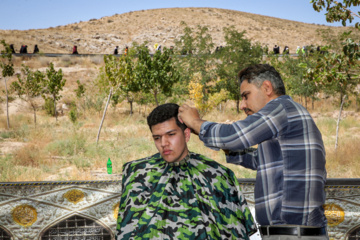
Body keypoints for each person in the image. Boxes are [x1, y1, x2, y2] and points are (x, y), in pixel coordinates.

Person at [178, 64, 328, 239]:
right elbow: (262, 160)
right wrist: (217, 141)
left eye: (245, 96)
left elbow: (234, 136)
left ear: (267, 88)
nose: (242, 105)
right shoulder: (289, 114)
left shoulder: (281, 108)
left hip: (293, 234)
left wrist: (196, 121)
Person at [116, 103, 257, 240]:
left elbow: (235, 231)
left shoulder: (217, 175)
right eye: (157, 138)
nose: (164, 143)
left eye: (171, 134)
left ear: (187, 134)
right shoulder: (136, 174)